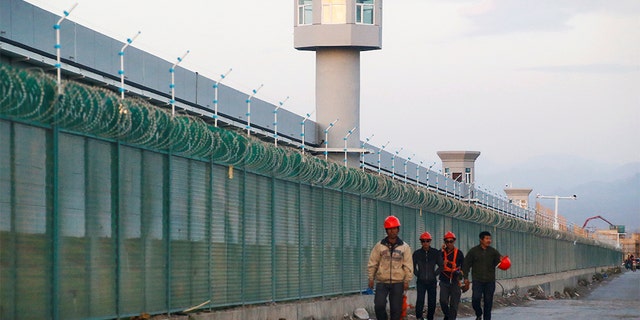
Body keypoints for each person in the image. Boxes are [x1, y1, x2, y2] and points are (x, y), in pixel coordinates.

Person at [368, 215, 413, 320]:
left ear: (398, 229)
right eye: (390, 229)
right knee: (379, 305)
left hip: (398, 282)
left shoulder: (404, 247)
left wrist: (407, 280)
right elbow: (373, 262)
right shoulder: (379, 246)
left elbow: (408, 264)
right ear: (386, 230)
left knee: (396, 310)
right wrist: (371, 278)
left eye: (395, 228)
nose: (393, 231)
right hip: (382, 281)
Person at [462, 231, 504, 320]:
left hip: (490, 281)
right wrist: (465, 277)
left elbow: (500, 264)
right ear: (481, 240)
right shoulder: (473, 251)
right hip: (478, 281)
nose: (489, 241)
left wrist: (503, 261)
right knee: (475, 299)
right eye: (487, 239)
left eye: (490, 238)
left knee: (488, 303)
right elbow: (466, 265)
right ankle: (478, 313)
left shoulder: (493, 252)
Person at [412, 232, 443, 320]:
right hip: (421, 281)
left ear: (430, 242)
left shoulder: (435, 253)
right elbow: (412, 266)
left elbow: (441, 265)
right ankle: (419, 317)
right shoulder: (417, 253)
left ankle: (430, 317)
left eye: (427, 241)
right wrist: (418, 274)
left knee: (432, 301)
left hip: (432, 281)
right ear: (421, 242)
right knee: (420, 300)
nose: (425, 243)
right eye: (423, 241)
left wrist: (434, 274)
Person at [439, 231, 465, 320]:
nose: (449, 243)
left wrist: (461, 274)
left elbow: (464, 267)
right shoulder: (441, 253)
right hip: (444, 280)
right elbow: (436, 263)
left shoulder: (459, 253)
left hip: (455, 281)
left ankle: (451, 318)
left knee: (454, 304)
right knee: (443, 301)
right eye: (447, 241)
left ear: (454, 241)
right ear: (445, 242)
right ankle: (447, 315)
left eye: (451, 241)